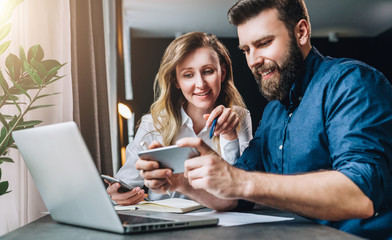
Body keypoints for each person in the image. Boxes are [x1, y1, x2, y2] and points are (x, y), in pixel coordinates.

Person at [135, 1, 392, 239]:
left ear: (301, 32)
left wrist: (240, 181)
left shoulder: (350, 82)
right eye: (246, 49)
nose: (253, 60)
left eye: (264, 43)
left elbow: (361, 193)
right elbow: (233, 195)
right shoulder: (273, 112)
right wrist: (181, 182)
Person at [107, 31, 253, 206]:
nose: (200, 84)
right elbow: (126, 183)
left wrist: (230, 136)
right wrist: (118, 194)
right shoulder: (153, 123)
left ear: (222, 73)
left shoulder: (240, 117)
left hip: (220, 218)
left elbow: (240, 189)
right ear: (176, 82)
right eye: (188, 75)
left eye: (208, 71)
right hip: (166, 222)